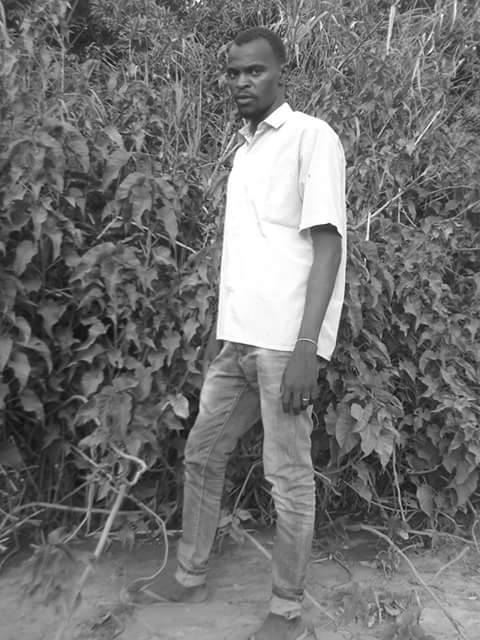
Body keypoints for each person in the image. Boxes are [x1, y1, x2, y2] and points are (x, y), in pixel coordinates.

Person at [132, 26, 346, 640]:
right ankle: (190, 574)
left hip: (285, 344)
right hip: (240, 340)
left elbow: (328, 246)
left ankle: (286, 610)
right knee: (202, 453)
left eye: (255, 71)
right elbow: (250, 252)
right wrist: (223, 332)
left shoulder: (310, 136)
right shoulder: (244, 151)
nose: (242, 82)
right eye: (233, 73)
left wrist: (307, 347)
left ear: (280, 73)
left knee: (287, 475)